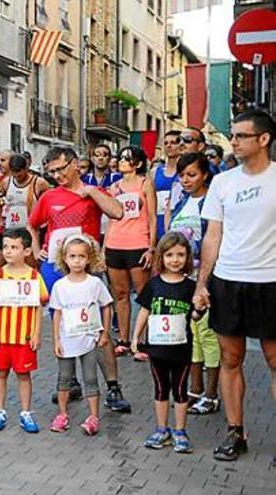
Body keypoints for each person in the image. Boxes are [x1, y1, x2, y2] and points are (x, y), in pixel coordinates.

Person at [194, 109, 276, 462]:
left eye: (241, 135)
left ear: (263, 139)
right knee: (231, 358)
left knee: (275, 361)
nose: (234, 141)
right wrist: (202, 284)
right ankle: (235, 431)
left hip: (270, 282)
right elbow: (213, 235)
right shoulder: (224, 182)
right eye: (233, 135)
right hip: (228, 280)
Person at [27, 146, 131, 414]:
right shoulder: (49, 196)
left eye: (61, 169)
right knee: (64, 324)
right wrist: (38, 246)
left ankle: (113, 387)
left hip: (89, 269)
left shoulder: (92, 192)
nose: (58, 175)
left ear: (75, 164)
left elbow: (118, 212)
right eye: (52, 172)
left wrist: (93, 192)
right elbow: (32, 223)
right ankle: (70, 381)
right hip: (57, 268)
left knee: (97, 328)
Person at [131, 232, 197, 453]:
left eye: (180, 254)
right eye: (169, 255)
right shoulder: (154, 284)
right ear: (161, 257)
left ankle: (180, 430)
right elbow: (144, 310)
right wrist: (135, 336)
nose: (175, 259)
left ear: (187, 256)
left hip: (182, 349)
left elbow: (196, 315)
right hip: (157, 348)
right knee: (160, 388)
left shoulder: (190, 287)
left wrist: (199, 311)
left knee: (180, 389)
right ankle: (162, 429)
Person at [166, 152, 220, 415]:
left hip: (206, 279)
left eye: (192, 175)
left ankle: (212, 394)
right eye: (182, 175)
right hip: (183, 280)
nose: (186, 180)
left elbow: (215, 241)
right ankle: (194, 389)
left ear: (205, 174)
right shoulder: (181, 201)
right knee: (192, 336)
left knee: (208, 336)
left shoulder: (213, 202)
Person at [49, 234, 113, 436]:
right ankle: (62, 414)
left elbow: (107, 306)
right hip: (68, 339)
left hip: (88, 338)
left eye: (81, 257)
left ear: (89, 259)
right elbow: (57, 313)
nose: (77, 261)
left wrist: (104, 332)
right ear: (65, 259)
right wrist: (56, 339)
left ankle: (93, 416)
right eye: (72, 256)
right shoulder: (60, 286)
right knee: (64, 377)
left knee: (90, 378)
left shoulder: (94, 283)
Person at [0, 228, 49, 433]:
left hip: (24, 337)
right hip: (3, 336)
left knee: (24, 375)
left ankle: (25, 412)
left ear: (27, 251)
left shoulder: (34, 276)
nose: (8, 251)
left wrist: (37, 333)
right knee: (0, 373)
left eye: (14, 247)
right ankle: (0, 411)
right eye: (5, 247)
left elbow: (38, 307)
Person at [105, 146, 157, 359]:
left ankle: (141, 340)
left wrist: (152, 247)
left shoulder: (146, 184)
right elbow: (110, 218)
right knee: (120, 294)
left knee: (143, 294)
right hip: (115, 243)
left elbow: (153, 217)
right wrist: (103, 246)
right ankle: (124, 339)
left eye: (126, 158)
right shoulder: (114, 186)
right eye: (121, 158)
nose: (121, 161)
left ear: (137, 163)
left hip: (138, 243)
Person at [0, 153, 49, 266]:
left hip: (30, 230)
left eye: (20, 174)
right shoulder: (6, 182)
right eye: (14, 174)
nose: (17, 177)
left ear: (26, 169)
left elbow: (49, 202)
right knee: (7, 263)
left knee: (30, 264)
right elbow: (0, 202)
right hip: (10, 228)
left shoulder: (39, 183)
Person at [152, 130, 183, 238]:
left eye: (173, 142)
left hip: (178, 223)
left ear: (181, 146)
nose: (169, 146)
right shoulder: (155, 172)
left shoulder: (185, 172)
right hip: (157, 225)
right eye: (166, 143)